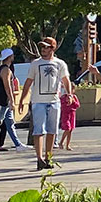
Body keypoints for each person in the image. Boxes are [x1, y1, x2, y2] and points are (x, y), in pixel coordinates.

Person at [19, 37, 72, 171]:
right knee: (38, 130)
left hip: (54, 101)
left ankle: (48, 157)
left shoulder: (60, 64)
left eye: (47, 47)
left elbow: (66, 80)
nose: (44, 49)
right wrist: (22, 100)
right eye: (42, 47)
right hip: (38, 102)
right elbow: (28, 82)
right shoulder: (35, 64)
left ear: (52, 48)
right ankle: (39, 158)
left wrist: (69, 94)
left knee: (52, 130)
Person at [58, 82, 80, 151]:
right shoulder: (63, 97)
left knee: (70, 130)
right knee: (67, 128)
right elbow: (61, 105)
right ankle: (61, 142)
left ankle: (67, 145)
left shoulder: (74, 97)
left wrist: (73, 102)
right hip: (65, 115)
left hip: (72, 114)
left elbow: (77, 105)